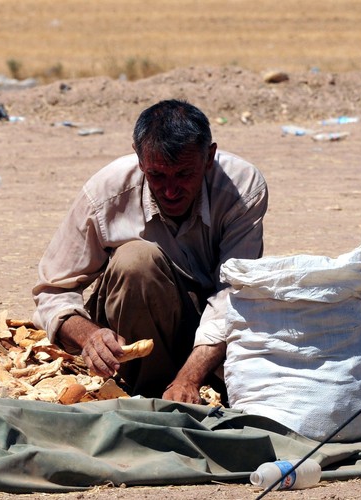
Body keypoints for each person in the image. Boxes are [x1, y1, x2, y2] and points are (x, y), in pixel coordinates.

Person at [31, 99, 268, 404]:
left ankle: (190, 385)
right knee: (136, 262)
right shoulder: (106, 192)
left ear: (209, 158)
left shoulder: (242, 189)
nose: (170, 191)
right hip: (133, 334)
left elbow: (232, 296)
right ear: (139, 159)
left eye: (184, 174)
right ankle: (151, 393)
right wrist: (89, 336)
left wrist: (190, 377)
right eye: (157, 175)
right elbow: (52, 291)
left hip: (210, 338)